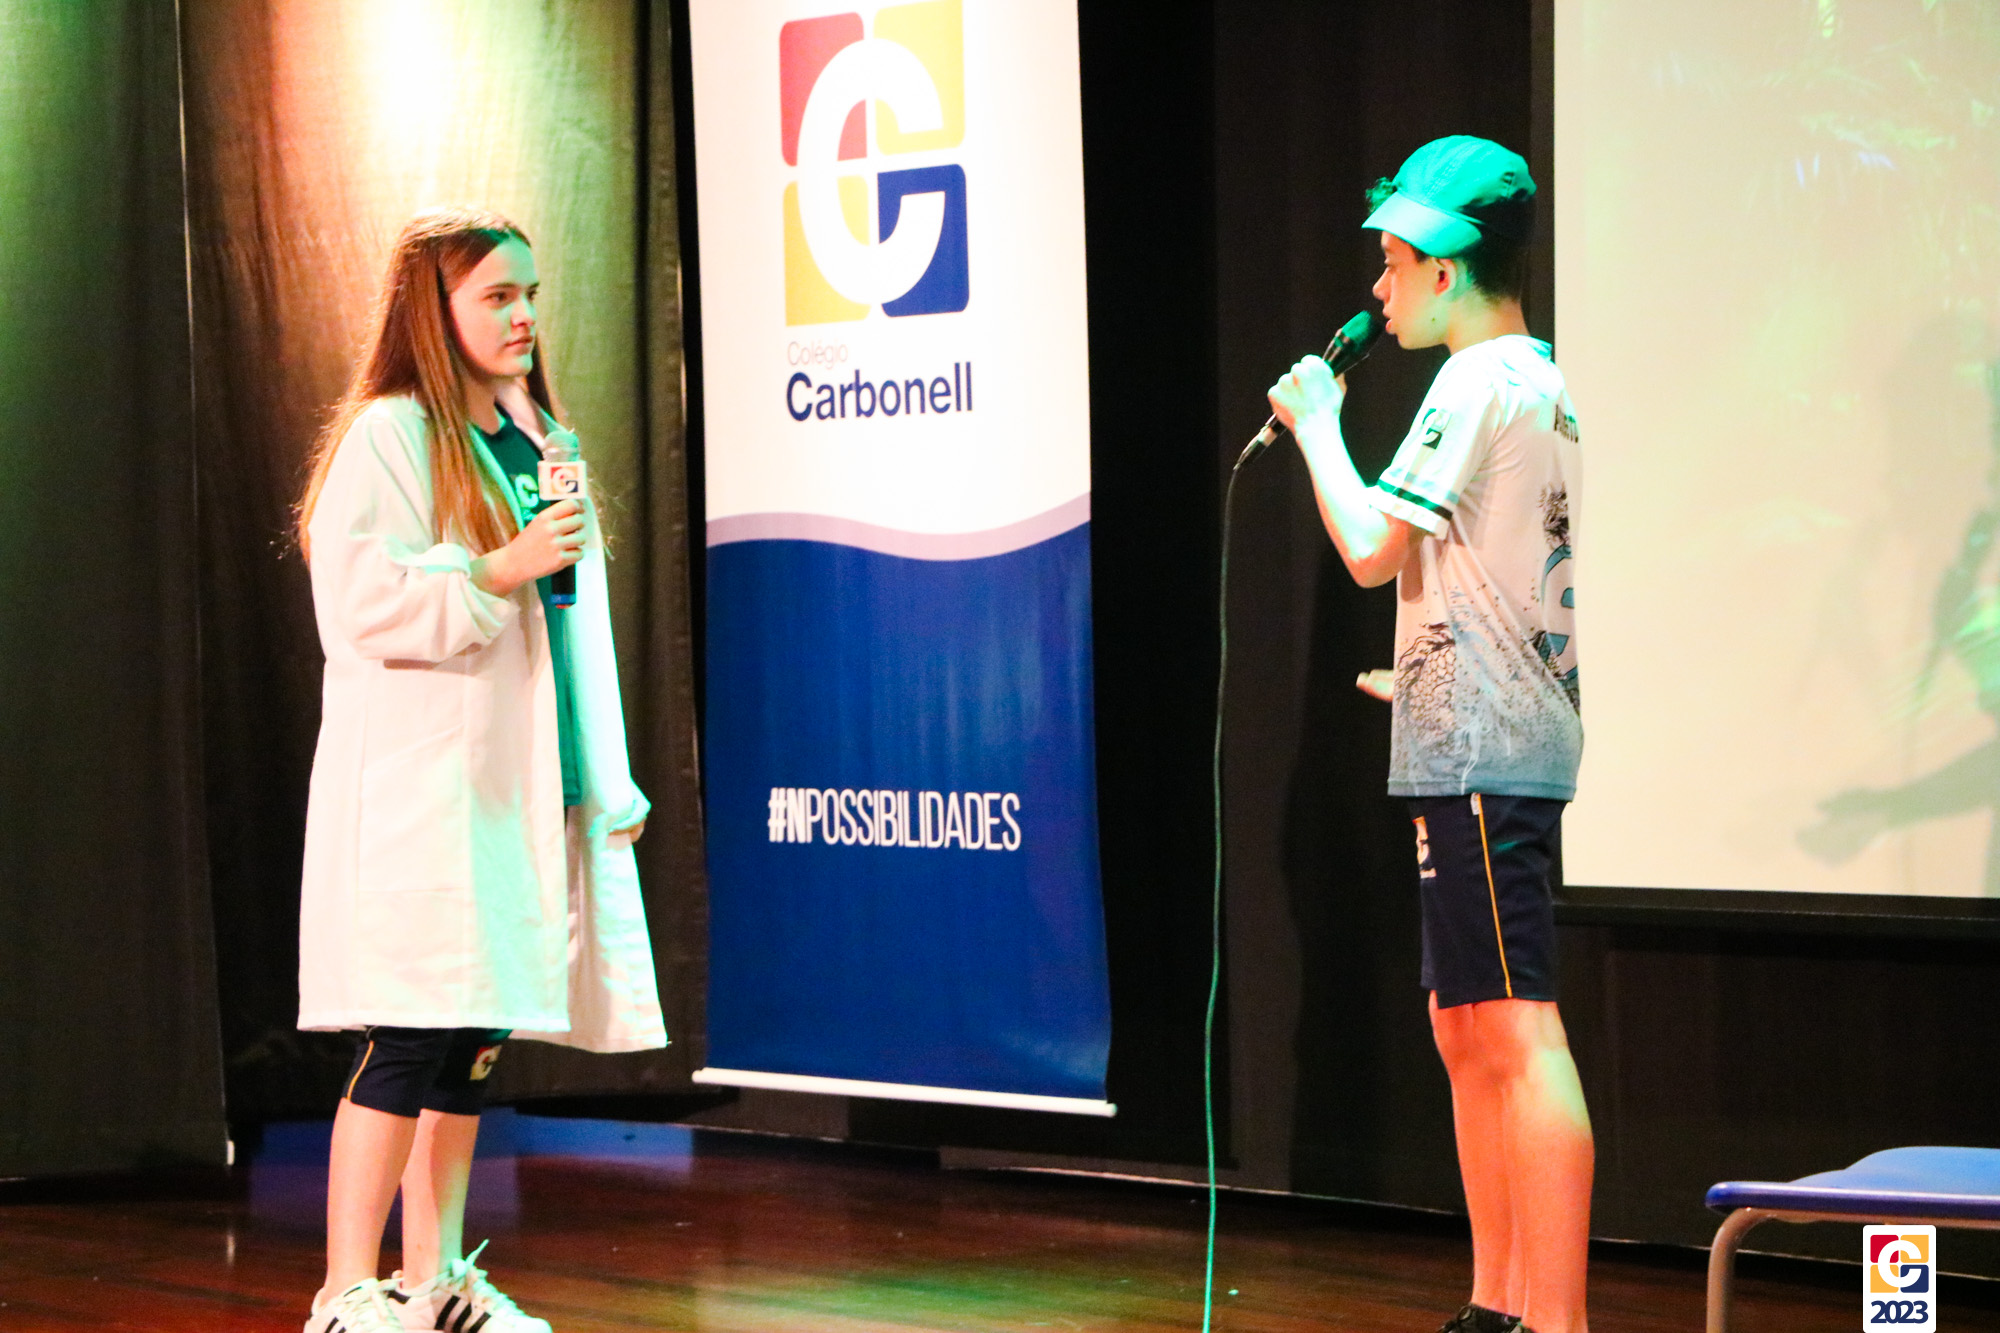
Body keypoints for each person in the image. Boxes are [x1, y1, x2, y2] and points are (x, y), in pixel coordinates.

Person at [292, 207, 667, 1333]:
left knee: (470, 1038)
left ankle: (434, 1280)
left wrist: (603, 776)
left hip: (513, 785)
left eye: (530, 294)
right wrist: (500, 567)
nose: (523, 316)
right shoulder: (390, 434)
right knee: (408, 1035)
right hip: (427, 791)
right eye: (498, 296)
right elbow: (362, 603)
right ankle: (344, 1291)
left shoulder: (534, 437)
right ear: (434, 309)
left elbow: (573, 626)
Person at [1267, 137, 1590, 1333]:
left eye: (1393, 262)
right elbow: (1485, 572)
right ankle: (1493, 1303)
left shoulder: (1474, 381)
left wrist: (1316, 422)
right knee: (1462, 1025)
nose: (1379, 287)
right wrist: (1415, 672)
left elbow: (1367, 547)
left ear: (1447, 269)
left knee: (1513, 1028)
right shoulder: (1533, 380)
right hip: (1468, 734)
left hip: (1485, 751)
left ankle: (1551, 1318)